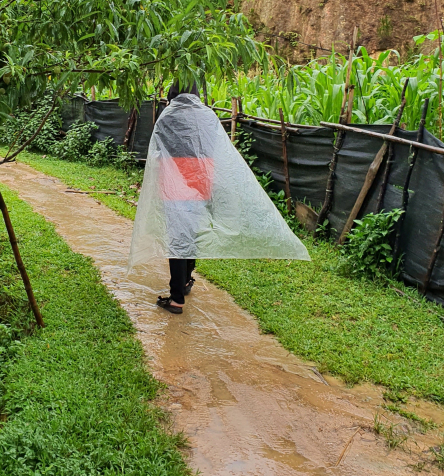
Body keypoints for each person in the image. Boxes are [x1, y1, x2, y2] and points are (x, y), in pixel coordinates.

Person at [128, 81, 309, 313]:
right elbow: (214, 149)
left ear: (173, 93)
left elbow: (159, 151)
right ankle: (184, 282)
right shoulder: (207, 116)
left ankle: (176, 299)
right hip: (200, 182)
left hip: (174, 184)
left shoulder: (168, 117)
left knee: (178, 239)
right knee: (190, 233)